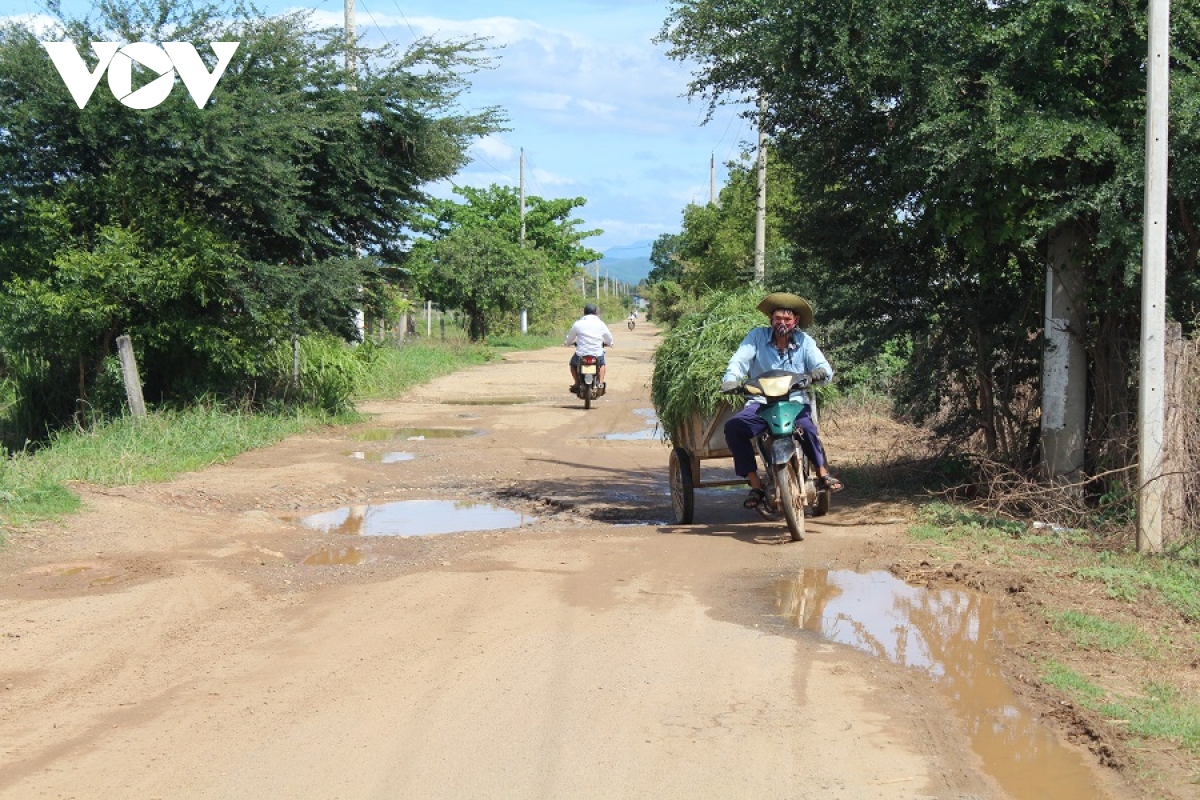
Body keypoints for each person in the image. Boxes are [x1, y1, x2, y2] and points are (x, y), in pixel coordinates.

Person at [721, 291, 843, 509]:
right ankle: (756, 484)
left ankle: (823, 474)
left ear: (795, 321)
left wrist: (817, 373)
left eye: (787, 319)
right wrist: (731, 380)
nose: (782, 323)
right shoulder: (756, 337)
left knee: (807, 428)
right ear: (771, 320)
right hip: (761, 403)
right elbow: (738, 361)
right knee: (733, 428)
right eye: (778, 318)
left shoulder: (805, 342)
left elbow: (824, 367)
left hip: (795, 403)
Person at [564, 303, 614, 393]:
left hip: (581, 353)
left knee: (572, 365)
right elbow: (608, 337)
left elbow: (570, 337)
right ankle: (601, 383)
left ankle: (577, 382)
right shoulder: (600, 324)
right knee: (602, 364)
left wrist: (567, 343)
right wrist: (610, 344)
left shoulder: (578, 324)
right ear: (595, 313)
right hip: (597, 353)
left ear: (584, 313)